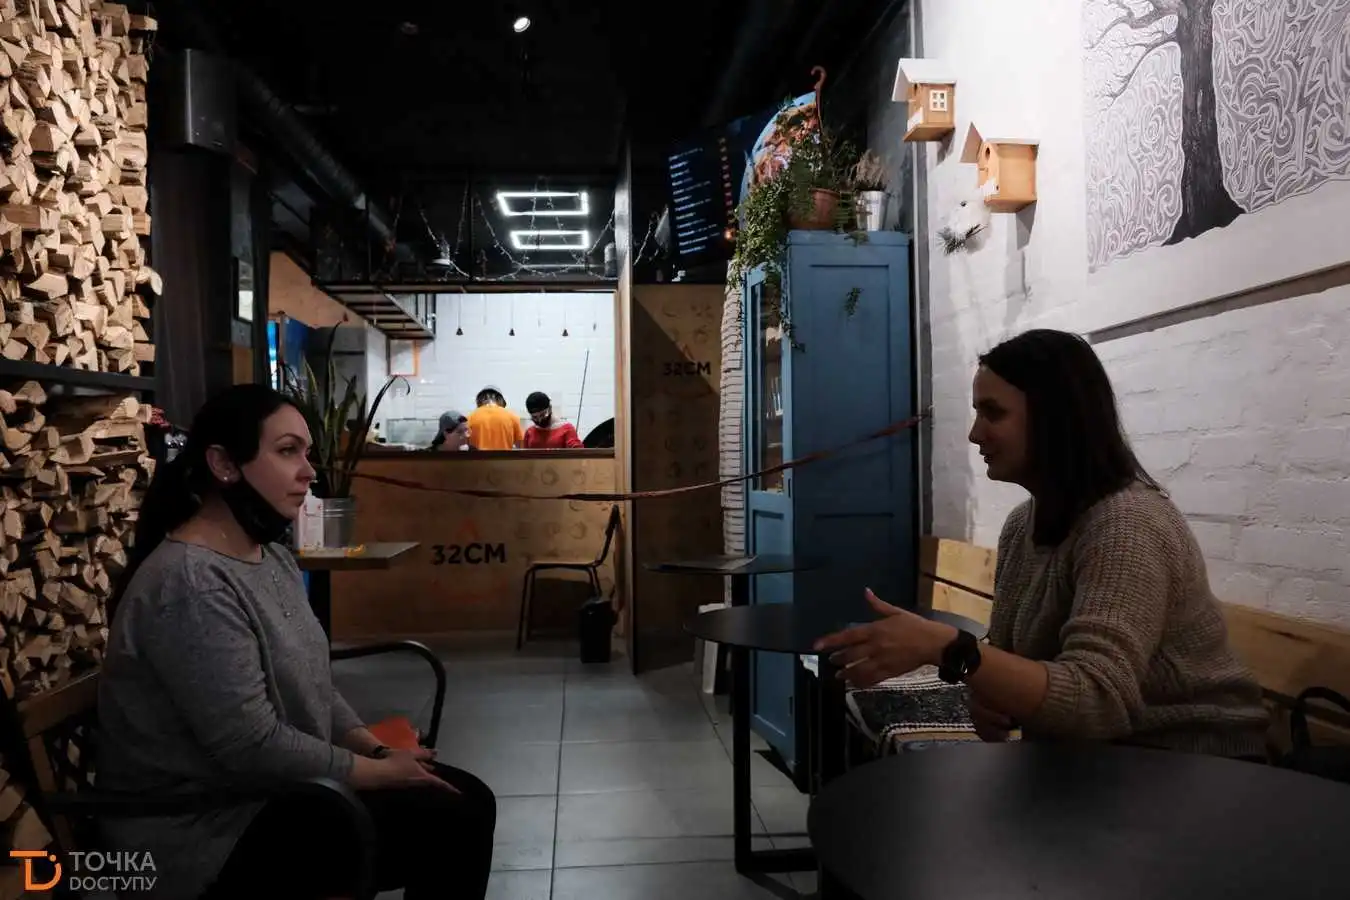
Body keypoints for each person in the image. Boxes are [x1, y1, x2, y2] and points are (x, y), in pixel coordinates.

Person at [95, 384, 497, 900]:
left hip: (270, 794)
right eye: (288, 451)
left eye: (307, 452)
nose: (309, 471)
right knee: (454, 818)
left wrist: (376, 750)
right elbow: (251, 745)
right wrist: (376, 774)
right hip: (203, 831)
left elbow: (315, 683)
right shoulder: (191, 583)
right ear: (223, 464)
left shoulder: (273, 558)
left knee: (463, 801)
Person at [814, 329, 1270, 761]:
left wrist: (948, 648)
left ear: (1057, 419)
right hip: (1095, 762)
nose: (975, 433)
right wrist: (985, 691)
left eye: (993, 413)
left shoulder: (1126, 524)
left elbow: (1098, 702)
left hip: (1196, 765)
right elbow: (1008, 658)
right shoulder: (1022, 525)